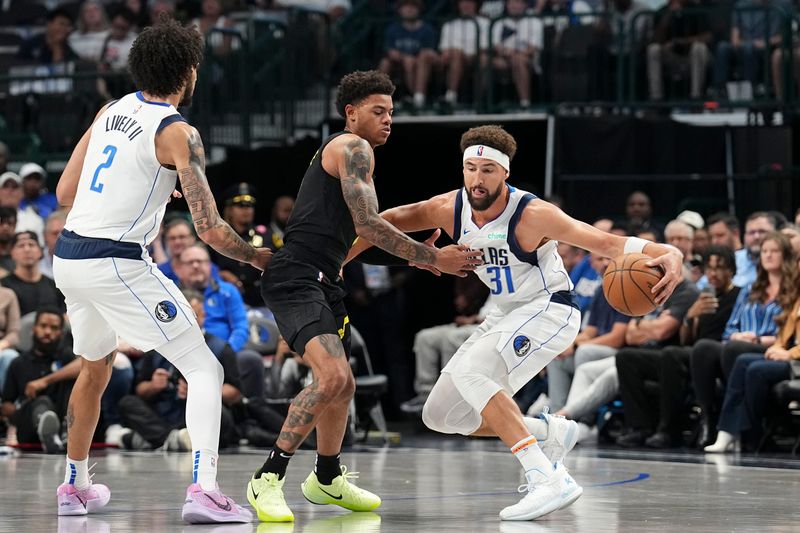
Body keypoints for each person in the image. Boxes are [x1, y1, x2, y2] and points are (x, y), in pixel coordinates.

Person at [347, 124, 683, 520]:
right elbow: (382, 221)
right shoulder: (449, 207)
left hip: (551, 309)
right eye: (471, 168)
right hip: (506, 315)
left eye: (488, 169)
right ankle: (551, 432)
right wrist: (335, 261)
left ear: (505, 172)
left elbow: (605, 243)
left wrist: (669, 251)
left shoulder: (533, 214)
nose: (477, 178)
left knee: (474, 375)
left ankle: (547, 479)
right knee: (440, 414)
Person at [51, 19, 269, 522]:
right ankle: (205, 492)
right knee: (205, 368)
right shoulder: (178, 132)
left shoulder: (111, 109)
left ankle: (75, 485)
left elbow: (65, 194)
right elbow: (210, 229)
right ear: (188, 71)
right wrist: (260, 258)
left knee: (96, 365)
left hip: (69, 258)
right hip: (115, 260)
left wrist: (144, 184)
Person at [246, 70, 479, 523]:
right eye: (379, 111)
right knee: (331, 378)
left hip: (323, 277)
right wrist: (433, 259)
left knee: (345, 385)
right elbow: (371, 226)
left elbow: (355, 243)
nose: (389, 119)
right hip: (296, 276)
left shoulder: (355, 156)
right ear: (351, 114)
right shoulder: (352, 148)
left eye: (391, 112)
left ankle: (328, 477)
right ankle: (267, 477)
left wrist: (415, 256)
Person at [210, 183, 270, 307]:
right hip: (227, 302)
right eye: (240, 206)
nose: (246, 210)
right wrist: (220, 274)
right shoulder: (217, 238)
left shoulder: (267, 235)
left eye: (250, 206)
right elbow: (207, 266)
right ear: (229, 209)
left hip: (264, 302)